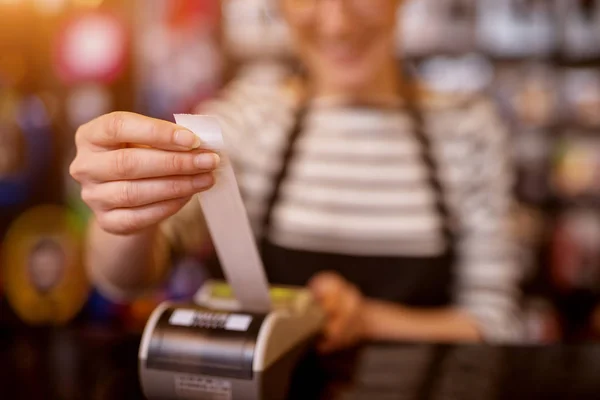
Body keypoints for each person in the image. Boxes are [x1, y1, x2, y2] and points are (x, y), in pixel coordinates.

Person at [70, 0, 524, 352]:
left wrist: (367, 321)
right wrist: (123, 213)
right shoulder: (247, 120)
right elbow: (125, 278)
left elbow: (495, 327)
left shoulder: (468, 129)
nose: (337, 23)